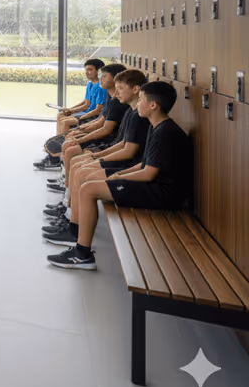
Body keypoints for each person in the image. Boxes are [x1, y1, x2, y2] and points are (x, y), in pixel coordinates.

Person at [47, 81, 193, 270]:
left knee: (89, 189)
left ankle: (82, 254)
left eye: (141, 99)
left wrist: (119, 177)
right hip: (154, 185)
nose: (138, 104)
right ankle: (76, 236)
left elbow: (148, 173)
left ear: (153, 105)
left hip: (164, 194)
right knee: (88, 183)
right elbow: (145, 164)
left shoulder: (165, 132)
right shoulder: (156, 126)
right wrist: (121, 174)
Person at [42, 69, 149, 242]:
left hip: (126, 163)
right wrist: (95, 155)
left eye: (120, 87)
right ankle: (69, 214)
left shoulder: (137, 115)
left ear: (136, 90)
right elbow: (121, 143)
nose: (116, 91)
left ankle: (74, 229)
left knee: (79, 167)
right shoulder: (131, 110)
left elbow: (127, 150)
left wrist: (96, 157)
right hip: (119, 155)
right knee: (78, 165)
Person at [35, 64, 125, 171]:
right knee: (54, 141)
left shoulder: (117, 102)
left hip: (107, 139)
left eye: (105, 76)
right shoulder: (111, 98)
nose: (101, 78)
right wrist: (80, 129)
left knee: (65, 143)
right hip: (97, 129)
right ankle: (56, 162)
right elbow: (100, 119)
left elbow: (105, 126)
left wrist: (81, 135)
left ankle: (57, 163)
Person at [54, 59, 106, 135]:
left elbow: (97, 109)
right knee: (60, 115)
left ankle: (63, 143)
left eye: (90, 70)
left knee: (65, 121)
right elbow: (86, 102)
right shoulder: (90, 84)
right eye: (86, 70)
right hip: (85, 112)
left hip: (93, 116)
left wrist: (75, 113)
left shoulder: (101, 87)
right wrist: (70, 109)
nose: (86, 72)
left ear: (99, 71)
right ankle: (57, 139)